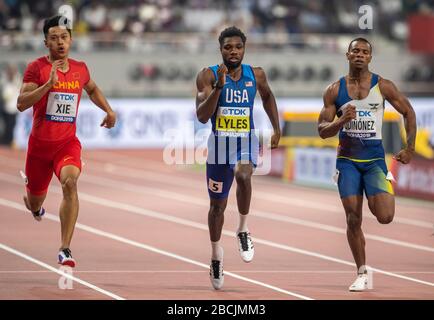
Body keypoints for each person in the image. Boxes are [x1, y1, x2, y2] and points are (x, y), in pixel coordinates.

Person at [317, 38, 416, 291]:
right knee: (352, 219)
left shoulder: (382, 86)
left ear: (370, 57)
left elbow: (408, 112)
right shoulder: (334, 90)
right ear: (347, 55)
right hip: (347, 161)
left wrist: (410, 148)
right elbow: (322, 131)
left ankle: (377, 195)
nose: (360, 55)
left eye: (365, 52)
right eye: (355, 51)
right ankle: (361, 271)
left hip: (374, 162)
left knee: (385, 216)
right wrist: (341, 121)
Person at [17, 15, 116, 267]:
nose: (60, 42)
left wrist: (109, 110)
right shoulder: (35, 68)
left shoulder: (80, 68)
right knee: (34, 202)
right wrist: (47, 86)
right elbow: (20, 104)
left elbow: (91, 89)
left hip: (66, 144)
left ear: (70, 40)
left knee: (70, 183)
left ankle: (65, 248)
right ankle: (34, 205)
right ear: (45, 43)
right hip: (39, 148)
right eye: (54, 38)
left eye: (64, 37)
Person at [195, 26, 280, 290]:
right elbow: (202, 115)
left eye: (238, 47)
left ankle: (243, 229)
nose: (233, 52)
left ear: (245, 48)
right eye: (228, 47)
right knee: (216, 208)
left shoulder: (256, 75)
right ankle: (216, 255)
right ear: (220, 49)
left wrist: (277, 129)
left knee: (244, 175)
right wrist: (219, 87)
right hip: (219, 146)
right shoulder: (207, 75)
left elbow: (267, 96)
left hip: (245, 141)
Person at [1, 64, 21, 147]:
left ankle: (10, 140)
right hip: (7, 108)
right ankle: (6, 140)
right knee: (7, 125)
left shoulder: (17, 81)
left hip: (14, 109)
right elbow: (4, 94)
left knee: (12, 126)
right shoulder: (5, 81)